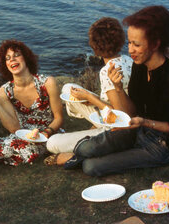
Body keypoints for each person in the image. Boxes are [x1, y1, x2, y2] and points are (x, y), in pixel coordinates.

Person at [63, 5, 169, 176]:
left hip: (161, 145)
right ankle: (84, 152)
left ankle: (86, 156)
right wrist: (118, 89)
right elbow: (130, 113)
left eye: (136, 44)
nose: (130, 50)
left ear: (155, 44)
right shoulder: (139, 67)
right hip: (137, 130)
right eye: (129, 42)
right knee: (86, 148)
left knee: (91, 167)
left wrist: (145, 122)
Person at [45, 17, 133, 165]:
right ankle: (93, 130)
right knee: (68, 88)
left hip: (116, 128)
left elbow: (120, 117)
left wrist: (90, 98)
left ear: (95, 47)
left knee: (52, 143)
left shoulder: (107, 71)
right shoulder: (128, 60)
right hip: (117, 115)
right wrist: (89, 97)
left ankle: (83, 147)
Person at [0, 39, 63, 166]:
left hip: (50, 133)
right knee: (14, 147)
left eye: (17, 55)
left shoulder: (48, 82)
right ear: (5, 64)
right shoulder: (4, 91)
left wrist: (46, 132)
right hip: (23, 136)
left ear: (26, 58)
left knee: (28, 150)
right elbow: (14, 128)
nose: (12, 60)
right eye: (8, 58)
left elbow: (59, 118)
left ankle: (0, 155)